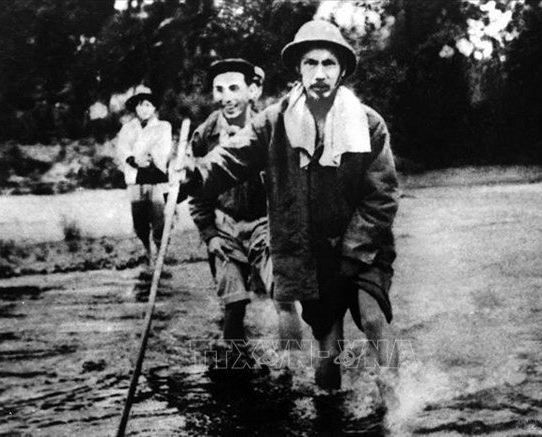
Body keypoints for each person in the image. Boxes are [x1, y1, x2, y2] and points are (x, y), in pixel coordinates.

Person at [182, 21, 399, 395]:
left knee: (372, 317)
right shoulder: (275, 121)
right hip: (313, 250)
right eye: (310, 63)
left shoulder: (368, 123)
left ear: (342, 69)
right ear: (298, 69)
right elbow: (231, 158)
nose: (319, 73)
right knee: (328, 353)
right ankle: (329, 413)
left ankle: (398, 405)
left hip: (365, 247)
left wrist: (353, 250)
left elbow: (382, 197)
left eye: (328, 63)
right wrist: (196, 176)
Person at [188, 59, 301, 343]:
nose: (227, 98)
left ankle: (293, 370)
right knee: (234, 304)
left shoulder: (272, 129)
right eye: (219, 89)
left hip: (267, 224)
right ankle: (236, 373)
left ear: (252, 91)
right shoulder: (204, 135)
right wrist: (209, 234)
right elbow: (197, 191)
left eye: (234, 88)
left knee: (285, 298)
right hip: (225, 226)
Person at [116, 86, 172, 268]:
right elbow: (122, 148)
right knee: (139, 220)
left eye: (148, 105)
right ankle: (147, 251)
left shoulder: (163, 127)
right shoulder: (128, 128)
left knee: (159, 219)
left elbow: (163, 149)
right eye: (140, 105)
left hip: (156, 175)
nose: (144, 109)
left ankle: (160, 255)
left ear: (154, 107)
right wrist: (133, 159)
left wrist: (147, 158)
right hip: (136, 176)